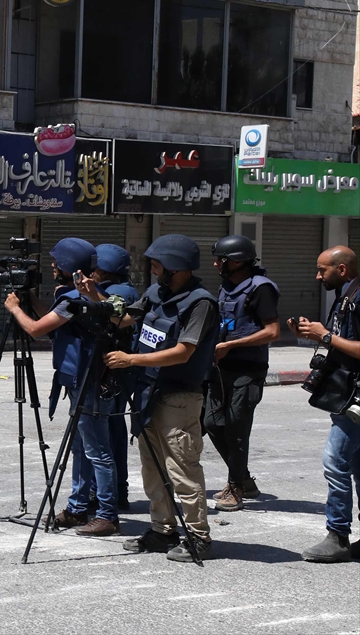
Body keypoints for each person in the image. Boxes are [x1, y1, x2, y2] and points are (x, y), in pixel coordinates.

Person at [104, 234, 218, 562]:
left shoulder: (200, 303)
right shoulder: (157, 292)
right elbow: (127, 317)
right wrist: (93, 300)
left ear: (175, 266)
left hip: (179, 397)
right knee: (152, 468)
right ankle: (162, 530)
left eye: (156, 264)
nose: (152, 270)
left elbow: (184, 352)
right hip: (147, 393)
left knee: (182, 469)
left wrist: (131, 360)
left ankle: (199, 538)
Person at [4, 238, 120, 536]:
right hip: (81, 381)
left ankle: (107, 514)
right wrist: (31, 299)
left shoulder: (76, 299)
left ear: (70, 266)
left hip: (89, 383)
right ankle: (78, 509)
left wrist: (16, 308)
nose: (52, 267)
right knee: (81, 450)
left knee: (97, 451)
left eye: (57, 263)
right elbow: (54, 316)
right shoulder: (82, 295)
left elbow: (36, 330)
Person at [287, 246, 360, 563]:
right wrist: (313, 333)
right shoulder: (347, 294)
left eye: (322, 270)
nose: (318, 276)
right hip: (345, 393)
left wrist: (326, 337)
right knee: (357, 467)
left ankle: (338, 535)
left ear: (341, 269)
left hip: (355, 399)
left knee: (335, 461)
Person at [204, 235, 280, 512]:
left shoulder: (261, 289)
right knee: (212, 423)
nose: (215, 264)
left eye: (220, 260)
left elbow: (273, 331)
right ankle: (244, 479)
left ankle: (235, 487)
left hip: (248, 370)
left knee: (236, 428)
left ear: (236, 261)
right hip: (222, 368)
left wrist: (231, 345)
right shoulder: (229, 286)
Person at [77, 244, 140, 511]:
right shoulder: (123, 289)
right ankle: (115, 490)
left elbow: (106, 318)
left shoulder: (116, 293)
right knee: (112, 430)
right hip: (119, 370)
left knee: (107, 434)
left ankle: (108, 493)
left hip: (113, 370)